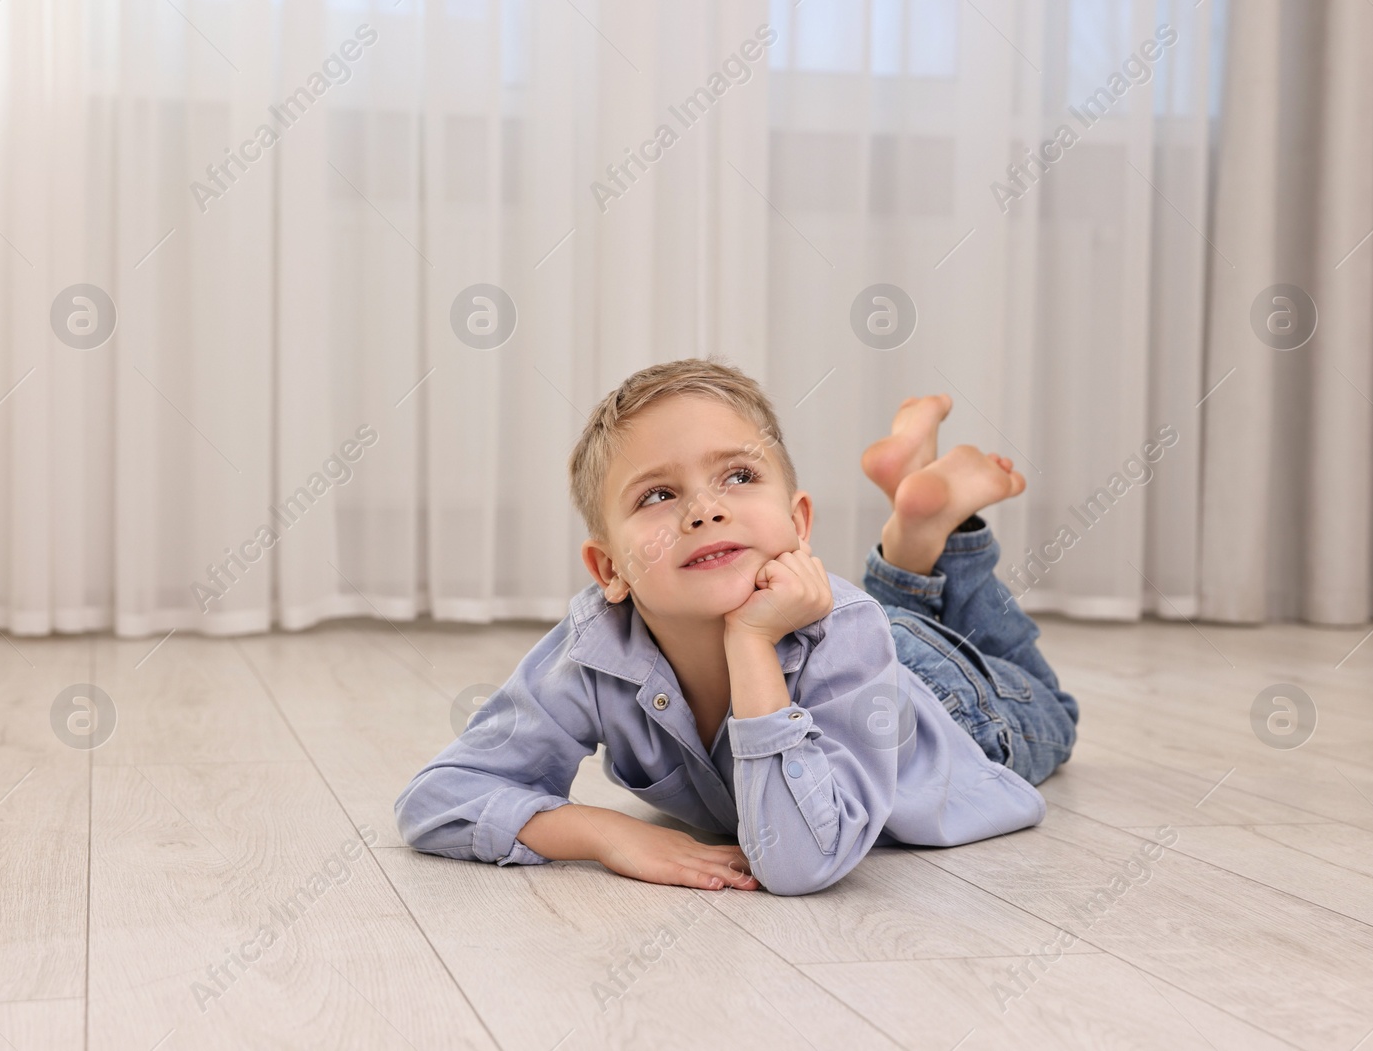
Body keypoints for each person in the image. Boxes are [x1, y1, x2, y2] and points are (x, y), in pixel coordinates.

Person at [394, 358, 1079, 896]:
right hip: (856, 633)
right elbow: (435, 798)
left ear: (798, 525)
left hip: (945, 700)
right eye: (657, 495)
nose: (703, 509)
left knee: (1052, 712)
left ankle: (937, 528)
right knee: (889, 619)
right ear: (610, 568)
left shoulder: (846, 632)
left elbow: (799, 862)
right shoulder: (595, 650)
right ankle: (917, 520)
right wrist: (601, 832)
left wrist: (751, 642)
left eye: (739, 475)